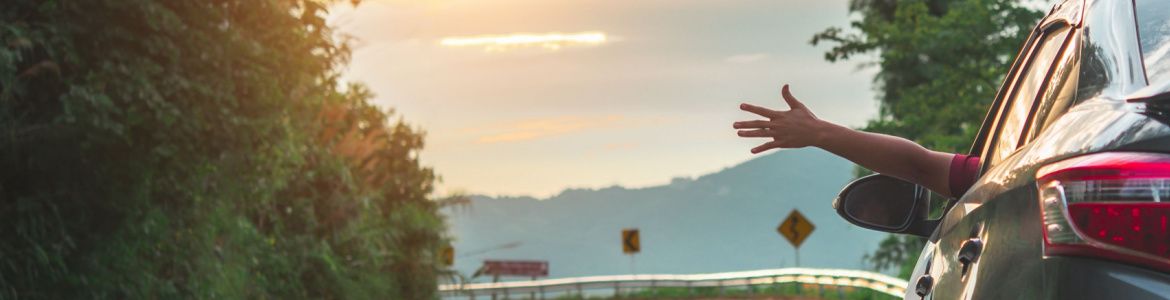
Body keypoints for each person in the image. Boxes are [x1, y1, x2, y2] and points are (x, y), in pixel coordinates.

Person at [733, 84, 980, 198]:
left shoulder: (1004, 178)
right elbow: (921, 167)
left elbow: (922, 168)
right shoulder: (1008, 176)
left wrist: (817, 132)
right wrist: (817, 132)